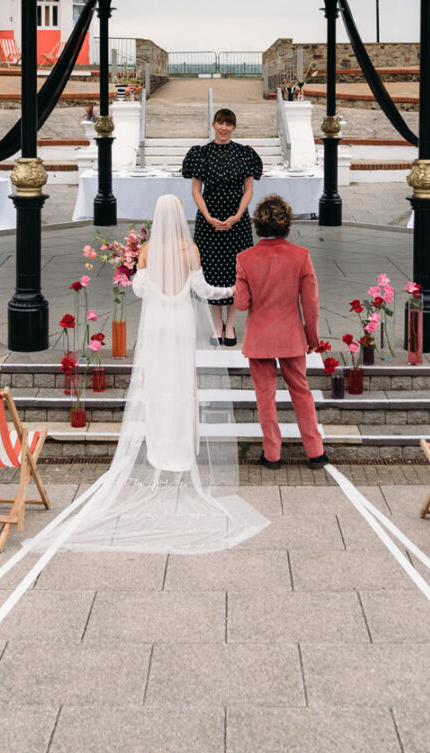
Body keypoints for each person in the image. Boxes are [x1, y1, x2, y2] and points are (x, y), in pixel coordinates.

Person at [40, 194, 268, 555]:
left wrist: (138, 271)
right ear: (179, 216)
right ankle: (182, 447)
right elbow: (204, 291)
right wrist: (237, 290)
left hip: (157, 324)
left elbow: (140, 290)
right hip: (179, 323)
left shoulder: (146, 251)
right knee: (182, 383)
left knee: (159, 382)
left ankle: (159, 445)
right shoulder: (190, 250)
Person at [233, 194, 328, 470]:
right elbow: (310, 303)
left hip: (259, 338)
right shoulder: (301, 256)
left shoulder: (245, 258)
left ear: (257, 225)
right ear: (287, 223)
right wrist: (313, 339)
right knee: (301, 392)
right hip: (291, 336)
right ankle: (315, 451)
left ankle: (272, 454)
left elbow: (241, 305)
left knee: (265, 397)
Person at [182, 107, 262, 345]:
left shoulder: (244, 154)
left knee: (235, 273)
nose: (224, 128)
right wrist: (207, 217)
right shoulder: (201, 154)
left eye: (229, 124)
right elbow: (196, 190)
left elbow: (249, 189)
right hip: (210, 222)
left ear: (234, 127)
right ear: (214, 125)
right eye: (220, 123)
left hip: (237, 222)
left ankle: (231, 324)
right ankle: (217, 324)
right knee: (211, 272)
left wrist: (237, 216)